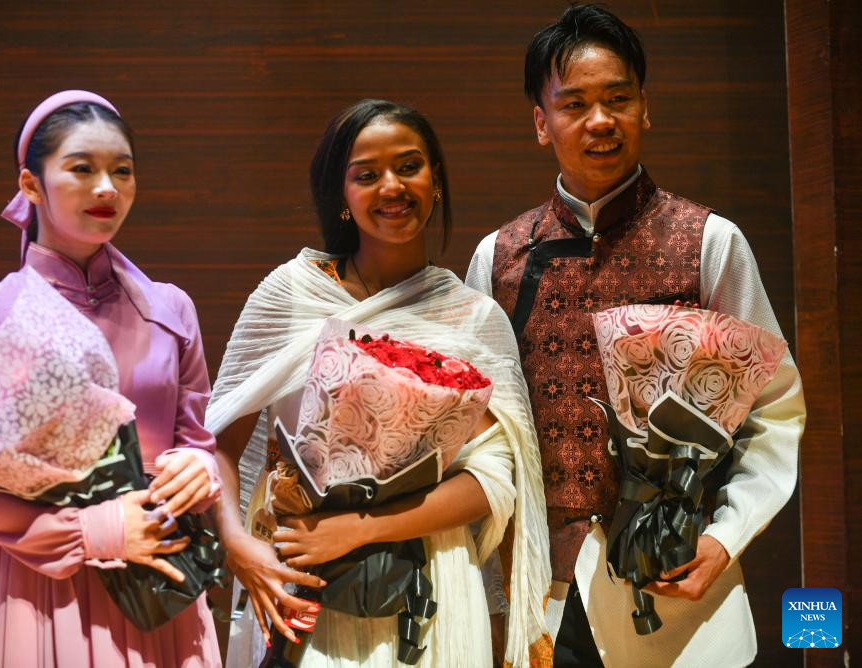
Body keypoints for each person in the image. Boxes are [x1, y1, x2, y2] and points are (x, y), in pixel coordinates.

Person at [465, 6, 806, 667]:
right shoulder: (498, 257)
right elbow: (481, 436)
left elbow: (774, 410)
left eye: (617, 99)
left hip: (682, 593)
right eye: (574, 104)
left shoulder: (710, 242)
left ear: (644, 108)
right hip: (544, 601)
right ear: (542, 122)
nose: (600, 120)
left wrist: (725, 538)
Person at [205, 99, 552, 667]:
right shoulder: (290, 294)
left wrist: (358, 529)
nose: (392, 186)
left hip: (435, 585)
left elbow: (493, 482)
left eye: (409, 167)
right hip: (301, 574)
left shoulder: (473, 317)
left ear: (435, 181)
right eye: (366, 175)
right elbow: (219, 443)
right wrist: (236, 544)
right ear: (341, 195)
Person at [0, 90, 223, 667]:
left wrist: (199, 469)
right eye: (82, 169)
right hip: (51, 586)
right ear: (31, 184)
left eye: (122, 171)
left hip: (164, 574)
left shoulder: (171, 309)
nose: (107, 188)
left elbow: (197, 439)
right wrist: (97, 530)